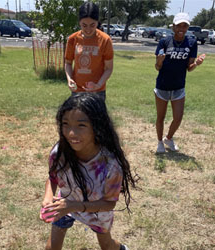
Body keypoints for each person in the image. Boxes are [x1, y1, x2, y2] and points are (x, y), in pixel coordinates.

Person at [40, 93, 135, 250]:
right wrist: (48, 198)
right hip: (64, 205)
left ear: (97, 127)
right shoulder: (60, 153)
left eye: (81, 125)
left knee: (107, 245)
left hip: (96, 211)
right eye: (65, 124)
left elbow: (109, 204)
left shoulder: (111, 164)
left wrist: (73, 206)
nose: (71, 133)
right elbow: (53, 178)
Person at [154, 12, 205, 153]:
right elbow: (157, 67)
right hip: (163, 85)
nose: (181, 28)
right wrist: (159, 61)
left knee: (178, 117)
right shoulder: (164, 42)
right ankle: (159, 142)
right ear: (173, 27)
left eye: (185, 25)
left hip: (179, 86)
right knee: (161, 117)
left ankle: (168, 138)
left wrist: (197, 64)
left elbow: (189, 68)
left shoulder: (192, 43)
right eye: (179, 25)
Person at [65, 1, 114, 101]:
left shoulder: (105, 40)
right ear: (79, 22)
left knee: (96, 117)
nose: (88, 29)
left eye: (92, 25)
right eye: (84, 25)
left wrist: (98, 84)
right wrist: (69, 78)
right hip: (77, 91)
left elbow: (108, 68)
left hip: (97, 91)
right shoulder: (72, 39)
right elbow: (68, 63)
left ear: (97, 22)